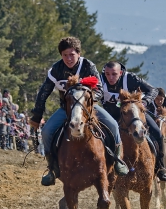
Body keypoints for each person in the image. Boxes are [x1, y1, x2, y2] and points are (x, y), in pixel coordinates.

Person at [29, 37, 129, 186]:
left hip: (88, 108)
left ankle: (117, 160)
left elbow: (100, 90)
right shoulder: (56, 70)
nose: (69, 59)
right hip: (66, 109)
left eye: (72, 54)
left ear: (78, 53)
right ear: (61, 55)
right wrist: (37, 116)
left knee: (113, 125)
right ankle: (52, 168)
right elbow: (43, 93)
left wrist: (89, 99)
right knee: (46, 132)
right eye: (65, 55)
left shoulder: (88, 66)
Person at [100, 61, 166, 182]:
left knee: (157, 133)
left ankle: (160, 167)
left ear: (120, 73)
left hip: (133, 113)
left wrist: (144, 102)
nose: (110, 77)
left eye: (114, 74)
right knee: (101, 136)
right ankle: (105, 168)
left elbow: (153, 90)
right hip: (111, 114)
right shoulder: (100, 79)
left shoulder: (130, 78)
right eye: (107, 74)